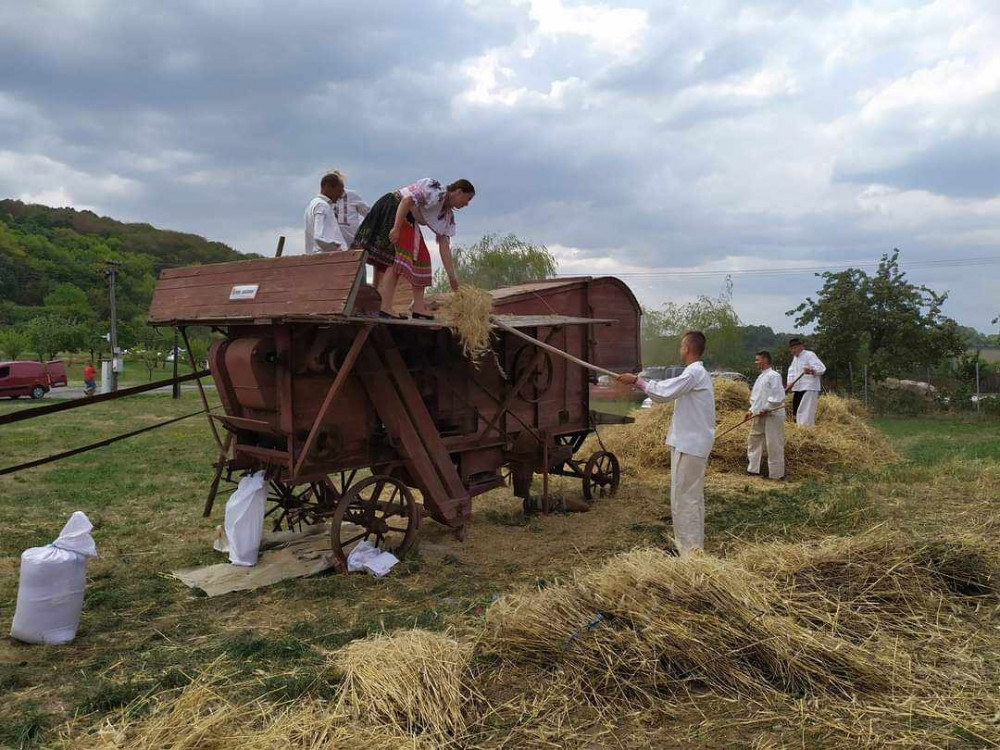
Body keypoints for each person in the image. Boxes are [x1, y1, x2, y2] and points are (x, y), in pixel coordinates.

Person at [617, 331, 714, 555]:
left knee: (684, 499)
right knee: (691, 497)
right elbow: (668, 385)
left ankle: (689, 553)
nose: (680, 350)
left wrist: (636, 381)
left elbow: (663, 392)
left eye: (681, 346)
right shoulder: (696, 373)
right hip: (692, 443)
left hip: (690, 445)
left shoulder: (694, 373)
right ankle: (692, 548)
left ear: (687, 349)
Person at [351, 178, 475, 318]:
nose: (467, 204)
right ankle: (384, 307)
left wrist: (452, 278)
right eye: (468, 198)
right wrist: (396, 228)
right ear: (459, 192)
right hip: (396, 207)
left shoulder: (446, 215)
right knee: (397, 258)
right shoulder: (435, 191)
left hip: (408, 218)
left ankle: (418, 307)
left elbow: (444, 244)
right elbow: (406, 201)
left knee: (422, 258)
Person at [746, 350, 785, 479]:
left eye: (758, 360)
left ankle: (776, 475)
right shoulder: (761, 377)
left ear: (765, 360)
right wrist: (751, 410)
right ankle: (753, 470)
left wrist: (767, 408)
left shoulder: (774, 376)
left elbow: (777, 396)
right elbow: (757, 398)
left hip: (772, 415)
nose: (755, 362)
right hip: (759, 415)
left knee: (773, 443)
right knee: (754, 440)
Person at [304, 171, 348, 255]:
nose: (340, 196)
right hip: (328, 259)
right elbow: (319, 237)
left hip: (317, 259)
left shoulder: (312, 204)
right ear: (328, 187)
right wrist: (338, 249)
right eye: (339, 191)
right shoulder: (322, 205)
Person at [786, 338, 826, 426]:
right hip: (798, 388)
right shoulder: (795, 359)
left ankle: (806, 431)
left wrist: (811, 370)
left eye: (795, 348)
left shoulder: (809, 355)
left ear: (801, 347)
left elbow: (822, 368)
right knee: (796, 411)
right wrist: (789, 383)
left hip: (809, 387)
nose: (793, 350)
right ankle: (799, 429)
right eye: (791, 348)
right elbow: (791, 372)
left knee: (805, 412)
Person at [327, 170, 371, 249]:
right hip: (333, 243)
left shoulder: (351, 195)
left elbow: (368, 214)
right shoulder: (324, 200)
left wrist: (365, 232)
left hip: (352, 241)